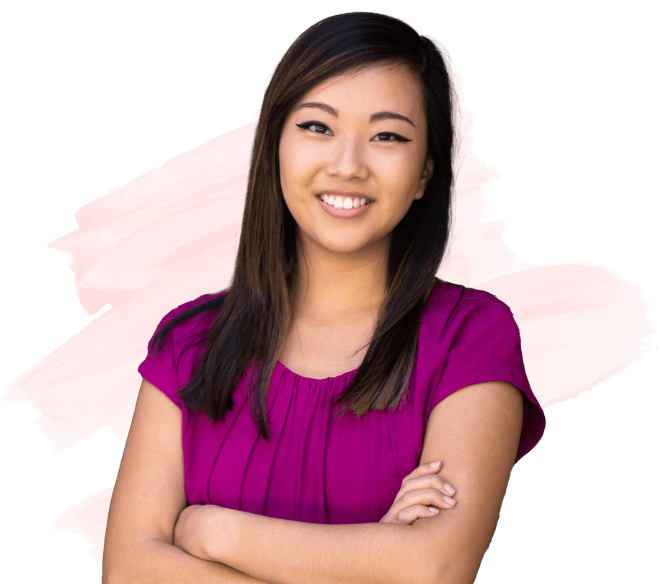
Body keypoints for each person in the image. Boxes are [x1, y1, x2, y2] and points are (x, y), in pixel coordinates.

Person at [102, 10, 546, 584]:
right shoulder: (189, 344)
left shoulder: (470, 336)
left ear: (424, 172)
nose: (347, 165)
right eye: (317, 127)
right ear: (275, 147)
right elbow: (129, 569)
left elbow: (434, 568)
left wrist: (211, 533)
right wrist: (369, 560)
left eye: (388, 136)